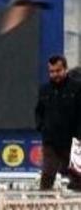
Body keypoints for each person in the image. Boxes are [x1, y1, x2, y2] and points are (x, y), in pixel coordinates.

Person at [35, 54, 81, 190]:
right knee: (47, 175)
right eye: (51, 71)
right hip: (51, 141)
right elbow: (39, 111)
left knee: (77, 177)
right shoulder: (44, 90)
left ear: (65, 69)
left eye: (58, 71)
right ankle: (41, 204)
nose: (55, 74)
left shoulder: (77, 88)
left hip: (73, 142)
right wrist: (42, 127)